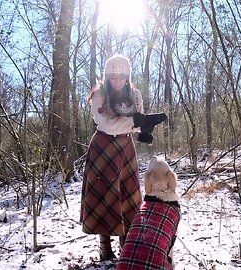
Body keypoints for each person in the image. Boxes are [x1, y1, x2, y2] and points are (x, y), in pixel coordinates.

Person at [80, 54, 167, 261]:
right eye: (112, 77)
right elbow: (106, 124)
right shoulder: (99, 95)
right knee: (104, 194)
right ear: (107, 76)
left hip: (125, 148)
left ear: (127, 76)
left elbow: (138, 120)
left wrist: (144, 126)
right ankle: (104, 247)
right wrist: (137, 123)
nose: (117, 82)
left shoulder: (135, 94)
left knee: (127, 195)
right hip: (103, 146)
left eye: (121, 77)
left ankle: (126, 243)